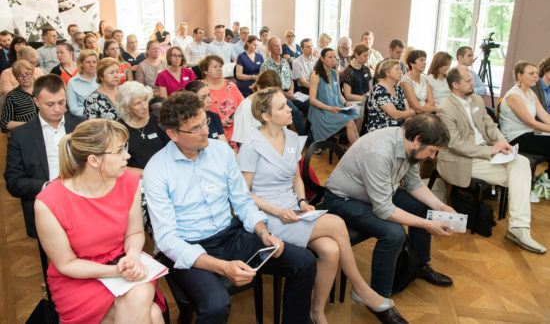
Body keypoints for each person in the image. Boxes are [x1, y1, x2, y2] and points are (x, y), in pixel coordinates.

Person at [143, 91, 316, 324]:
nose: (206, 131)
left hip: (230, 236)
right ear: (173, 134)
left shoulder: (221, 151)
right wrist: (223, 267)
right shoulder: (157, 169)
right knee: (216, 305)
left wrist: (263, 232)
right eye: (195, 128)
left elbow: (242, 201)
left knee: (304, 262)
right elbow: (166, 240)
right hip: (189, 247)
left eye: (204, 122)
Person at [238, 88, 407, 324]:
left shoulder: (290, 136)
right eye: (282, 107)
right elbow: (243, 195)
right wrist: (277, 211)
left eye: (287, 105)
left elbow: (296, 178)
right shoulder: (251, 145)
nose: (290, 109)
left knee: (331, 250)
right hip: (267, 216)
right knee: (337, 223)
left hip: (292, 209)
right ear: (265, 116)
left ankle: (316, 312)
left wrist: (303, 201)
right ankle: (361, 289)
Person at [35, 119, 166, 323]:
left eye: (126, 148)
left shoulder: (128, 182)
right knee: (153, 314)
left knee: (145, 303)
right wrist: (117, 272)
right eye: (120, 150)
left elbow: (135, 233)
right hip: (78, 278)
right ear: (94, 161)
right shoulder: (48, 203)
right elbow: (66, 264)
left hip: (120, 260)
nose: (128, 156)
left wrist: (131, 257)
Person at [325, 115, 455, 299]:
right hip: (343, 199)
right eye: (433, 151)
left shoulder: (410, 145)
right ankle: (379, 296)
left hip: (377, 194)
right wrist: (427, 225)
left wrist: (440, 206)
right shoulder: (379, 152)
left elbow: (413, 183)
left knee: (425, 209)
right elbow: (384, 209)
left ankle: (419, 266)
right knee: (394, 233)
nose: (433, 157)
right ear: (418, 140)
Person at [437, 66, 546, 254]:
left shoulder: (476, 99)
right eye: (468, 81)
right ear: (455, 85)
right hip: (464, 159)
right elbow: (456, 144)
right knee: (520, 174)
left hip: (488, 153)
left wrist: (502, 142)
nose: (474, 83)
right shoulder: (445, 109)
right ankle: (518, 230)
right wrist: (490, 150)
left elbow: (490, 125)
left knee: (521, 163)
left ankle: (519, 228)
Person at [4, 74, 84, 238]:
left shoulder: (81, 125)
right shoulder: (21, 135)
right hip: (48, 203)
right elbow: (14, 182)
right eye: (50, 104)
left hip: (84, 197)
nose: (57, 109)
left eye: (61, 102)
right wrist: (48, 187)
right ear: (36, 102)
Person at [308, 48, 360, 145]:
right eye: (330, 57)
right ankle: (356, 151)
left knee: (357, 114)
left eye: (334, 57)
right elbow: (312, 100)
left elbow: (339, 94)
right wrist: (330, 108)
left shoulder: (334, 73)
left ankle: (351, 147)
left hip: (336, 106)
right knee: (350, 122)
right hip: (322, 110)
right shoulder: (315, 75)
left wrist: (346, 103)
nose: (333, 60)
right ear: (322, 59)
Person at [117, 81, 170, 176]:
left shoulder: (157, 120)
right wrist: (149, 174)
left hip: (164, 174)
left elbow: (172, 149)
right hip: (137, 180)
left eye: (145, 100)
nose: (145, 106)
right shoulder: (119, 129)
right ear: (126, 108)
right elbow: (118, 165)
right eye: (138, 104)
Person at [499, 61, 550, 157]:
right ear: (520, 76)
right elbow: (532, 123)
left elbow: (546, 116)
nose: (536, 76)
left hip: (527, 135)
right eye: (531, 73)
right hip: (514, 139)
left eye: (536, 73)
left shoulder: (531, 93)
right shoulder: (514, 96)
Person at [261, 37, 308, 136]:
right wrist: (284, 94)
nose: (279, 47)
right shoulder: (266, 65)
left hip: (290, 93)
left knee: (310, 104)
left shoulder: (285, 62)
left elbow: (291, 78)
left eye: (279, 44)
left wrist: (291, 91)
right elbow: (267, 86)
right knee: (294, 110)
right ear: (270, 49)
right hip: (276, 95)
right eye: (276, 46)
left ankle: (312, 133)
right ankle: (307, 139)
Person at [200, 55, 243, 142]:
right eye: (215, 67)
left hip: (237, 129)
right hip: (213, 132)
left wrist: (235, 118)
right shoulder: (200, 89)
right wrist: (219, 122)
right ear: (205, 71)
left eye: (220, 66)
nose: (219, 69)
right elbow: (197, 114)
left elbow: (242, 105)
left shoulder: (230, 85)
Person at [232, 70, 281, 145]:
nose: (273, 96)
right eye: (269, 92)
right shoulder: (245, 107)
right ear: (259, 88)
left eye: (275, 92)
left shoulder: (272, 102)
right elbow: (243, 143)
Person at [367, 60, 415, 133]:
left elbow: (407, 114)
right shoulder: (379, 90)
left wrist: (409, 128)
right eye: (397, 69)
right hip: (381, 130)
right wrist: (413, 112)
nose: (401, 72)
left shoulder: (398, 89)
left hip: (399, 129)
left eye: (400, 69)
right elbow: (395, 115)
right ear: (387, 73)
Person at [0, 60, 38, 132]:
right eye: (20, 76)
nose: (25, 78)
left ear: (32, 73)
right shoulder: (12, 96)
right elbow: (4, 123)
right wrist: (28, 124)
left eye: (27, 74)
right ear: (16, 77)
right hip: (26, 133)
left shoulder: (44, 88)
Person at [67, 49, 99, 116]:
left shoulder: (102, 79)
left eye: (94, 62)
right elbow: (73, 108)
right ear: (81, 64)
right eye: (88, 62)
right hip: (83, 119)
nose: (92, 65)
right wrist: (94, 113)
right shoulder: (72, 82)